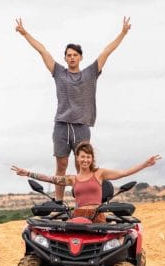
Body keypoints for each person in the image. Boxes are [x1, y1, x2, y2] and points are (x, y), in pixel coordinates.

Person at [15, 17, 132, 200]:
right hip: (61, 125)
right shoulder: (59, 72)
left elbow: (106, 52)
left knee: (82, 168)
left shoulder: (90, 73)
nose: (71, 58)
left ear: (80, 57)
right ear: (65, 58)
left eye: (75, 55)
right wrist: (25, 34)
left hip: (81, 125)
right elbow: (42, 51)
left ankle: (82, 203)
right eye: (68, 55)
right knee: (61, 166)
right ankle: (59, 203)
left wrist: (123, 33)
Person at [11, 141, 160, 221]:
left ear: (92, 159)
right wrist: (28, 173)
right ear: (77, 157)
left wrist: (145, 164)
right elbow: (51, 179)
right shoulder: (72, 179)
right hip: (78, 215)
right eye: (82, 156)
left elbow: (124, 173)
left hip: (97, 215)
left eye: (88, 157)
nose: (85, 159)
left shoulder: (99, 173)